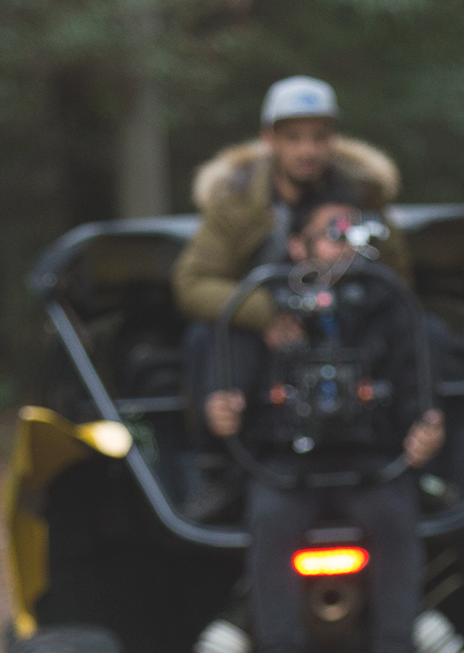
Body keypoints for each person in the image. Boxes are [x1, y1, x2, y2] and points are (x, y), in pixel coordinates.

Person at [201, 200, 444, 653]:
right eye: (332, 235)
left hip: (372, 465)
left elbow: (419, 389)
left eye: (354, 235)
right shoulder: (264, 310)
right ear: (298, 247)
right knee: (268, 520)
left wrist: (426, 429)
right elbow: (225, 385)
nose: (345, 246)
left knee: (396, 517)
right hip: (286, 468)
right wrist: (222, 410)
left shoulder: (390, 306)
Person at [173, 75, 406, 521]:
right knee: (211, 337)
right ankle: (219, 465)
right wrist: (263, 314)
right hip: (270, 336)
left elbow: (397, 278)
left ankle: (415, 453)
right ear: (269, 139)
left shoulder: (360, 196)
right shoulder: (238, 203)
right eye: (293, 137)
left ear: (333, 140)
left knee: (420, 330)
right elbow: (193, 281)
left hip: (349, 325)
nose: (307, 150)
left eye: (319, 137)